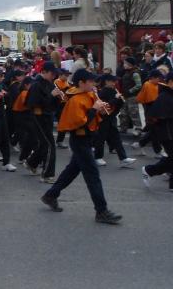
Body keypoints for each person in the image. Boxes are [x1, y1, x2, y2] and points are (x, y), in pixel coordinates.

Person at [41, 68, 122, 225]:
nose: (94, 84)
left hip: (87, 139)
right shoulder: (75, 100)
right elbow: (80, 122)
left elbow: (103, 114)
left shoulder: (89, 94)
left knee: (71, 171)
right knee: (92, 176)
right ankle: (101, 210)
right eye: (90, 81)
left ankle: (51, 195)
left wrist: (113, 103)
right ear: (81, 83)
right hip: (79, 140)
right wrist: (94, 109)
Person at [141, 71, 173, 193]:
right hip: (168, 133)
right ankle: (149, 170)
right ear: (169, 82)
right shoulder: (164, 96)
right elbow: (155, 116)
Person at [24, 61, 63, 183]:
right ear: (44, 72)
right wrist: (51, 96)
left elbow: (51, 105)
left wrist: (58, 98)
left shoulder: (49, 84)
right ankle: (47, 174)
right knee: (50, 145)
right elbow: (33, 104)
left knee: (44, 144)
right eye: (52, 73)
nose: (54, 76)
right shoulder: (36, 85)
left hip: (46, 117)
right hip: (38, 117)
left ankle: (31, 163)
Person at [93, 74, 137, 168]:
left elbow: (117, 106)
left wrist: (121, 100)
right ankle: (97, 157)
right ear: (107, 82)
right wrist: (116, 98)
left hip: (112, 118)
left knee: (116, 138)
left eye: (115, 81)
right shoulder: (103, 92)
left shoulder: (113, 91)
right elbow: (105, 106)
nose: (114, 83)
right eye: (112, 81)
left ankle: (123, 158)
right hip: (103, 119)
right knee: (101, 138)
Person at [132, 69, 166, 158]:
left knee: (154, 130)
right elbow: (150, 99)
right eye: (158, 78)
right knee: (155, 131)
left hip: (155, 109)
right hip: (151, 109)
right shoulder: (148, 85)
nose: (160, 80)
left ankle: (140, 144)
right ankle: (157, 151)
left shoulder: (158, 85)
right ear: (153, 78)